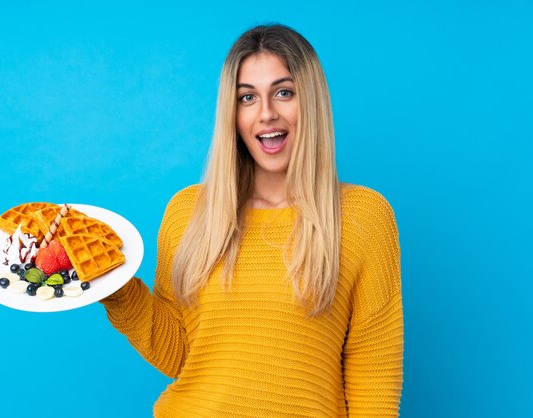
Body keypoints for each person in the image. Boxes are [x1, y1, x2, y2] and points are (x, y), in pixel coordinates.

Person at [100, 24, 403, 417]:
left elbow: (373, 382)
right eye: (247, 97)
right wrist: (112, 285)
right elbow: (178, 354)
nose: (266, 114)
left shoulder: (363, 217)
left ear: (310, 100)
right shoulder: (188, 212)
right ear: (232, 111)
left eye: (283, 92)